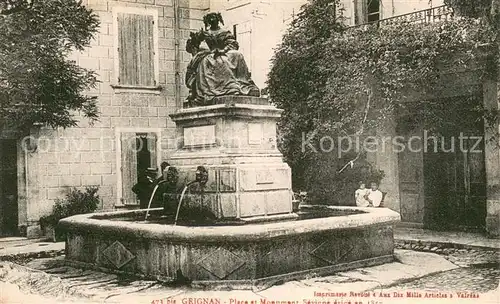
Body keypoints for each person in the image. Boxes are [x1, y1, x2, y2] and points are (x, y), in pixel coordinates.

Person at [184, 12, 260, 106]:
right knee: (211, 61)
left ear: (218, 19)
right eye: (210, 18)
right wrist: (194, 41)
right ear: (207, 21)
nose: (212, 20)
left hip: (225, 52)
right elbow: (191, 45)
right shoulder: (205, 33)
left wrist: (223, 50)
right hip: (210, 54)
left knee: (237, 55)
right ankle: (227, 87)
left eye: (214, 18)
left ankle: (242, 84)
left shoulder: (224, 32)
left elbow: (233, 44)